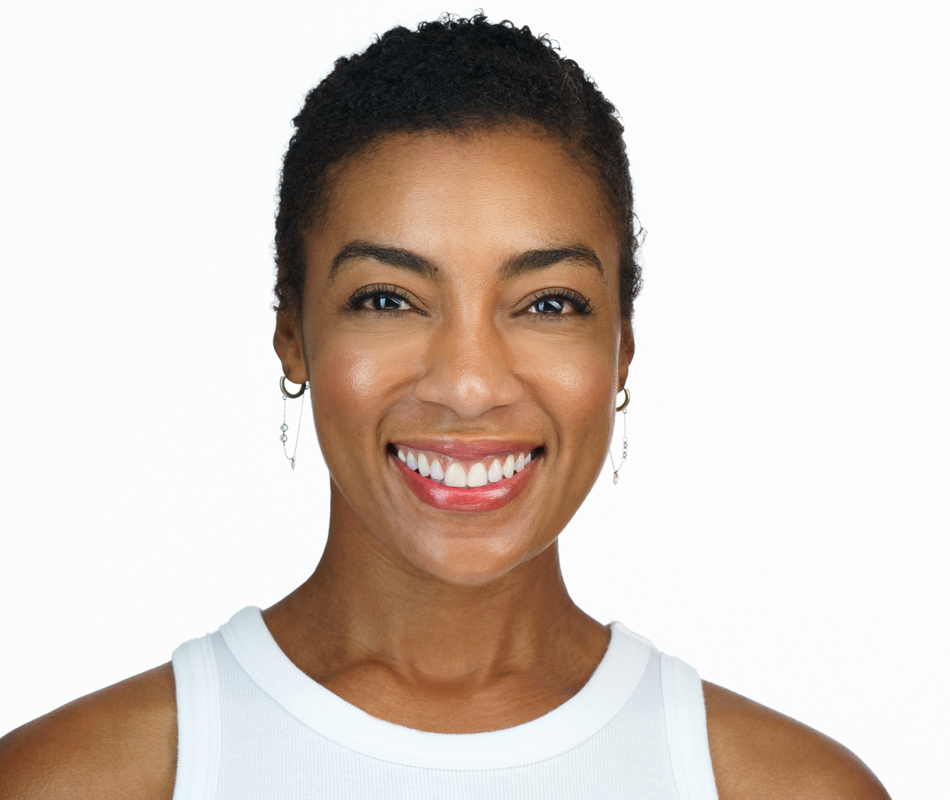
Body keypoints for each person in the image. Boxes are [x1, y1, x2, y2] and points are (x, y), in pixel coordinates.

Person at [0, 14, 890, 799]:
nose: (468, 386)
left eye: (549, 303)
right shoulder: (75, 781)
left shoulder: (787, 789)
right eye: (388, 299)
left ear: (621, 347)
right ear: (293, 336)